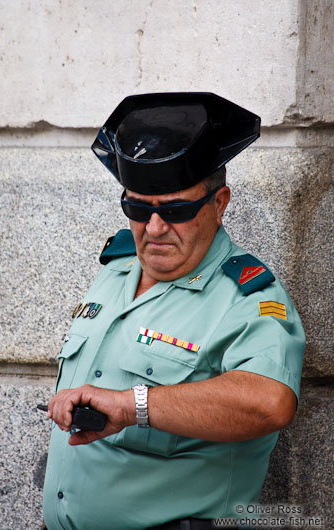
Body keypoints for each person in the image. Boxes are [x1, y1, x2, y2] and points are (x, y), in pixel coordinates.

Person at [42, 92, 305, 530]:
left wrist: (134, 406)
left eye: (177, 210)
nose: (155, 228)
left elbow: (269, 403)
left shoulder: (248, 298)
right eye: (137, 208)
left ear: (219, 204)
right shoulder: (116, 270)